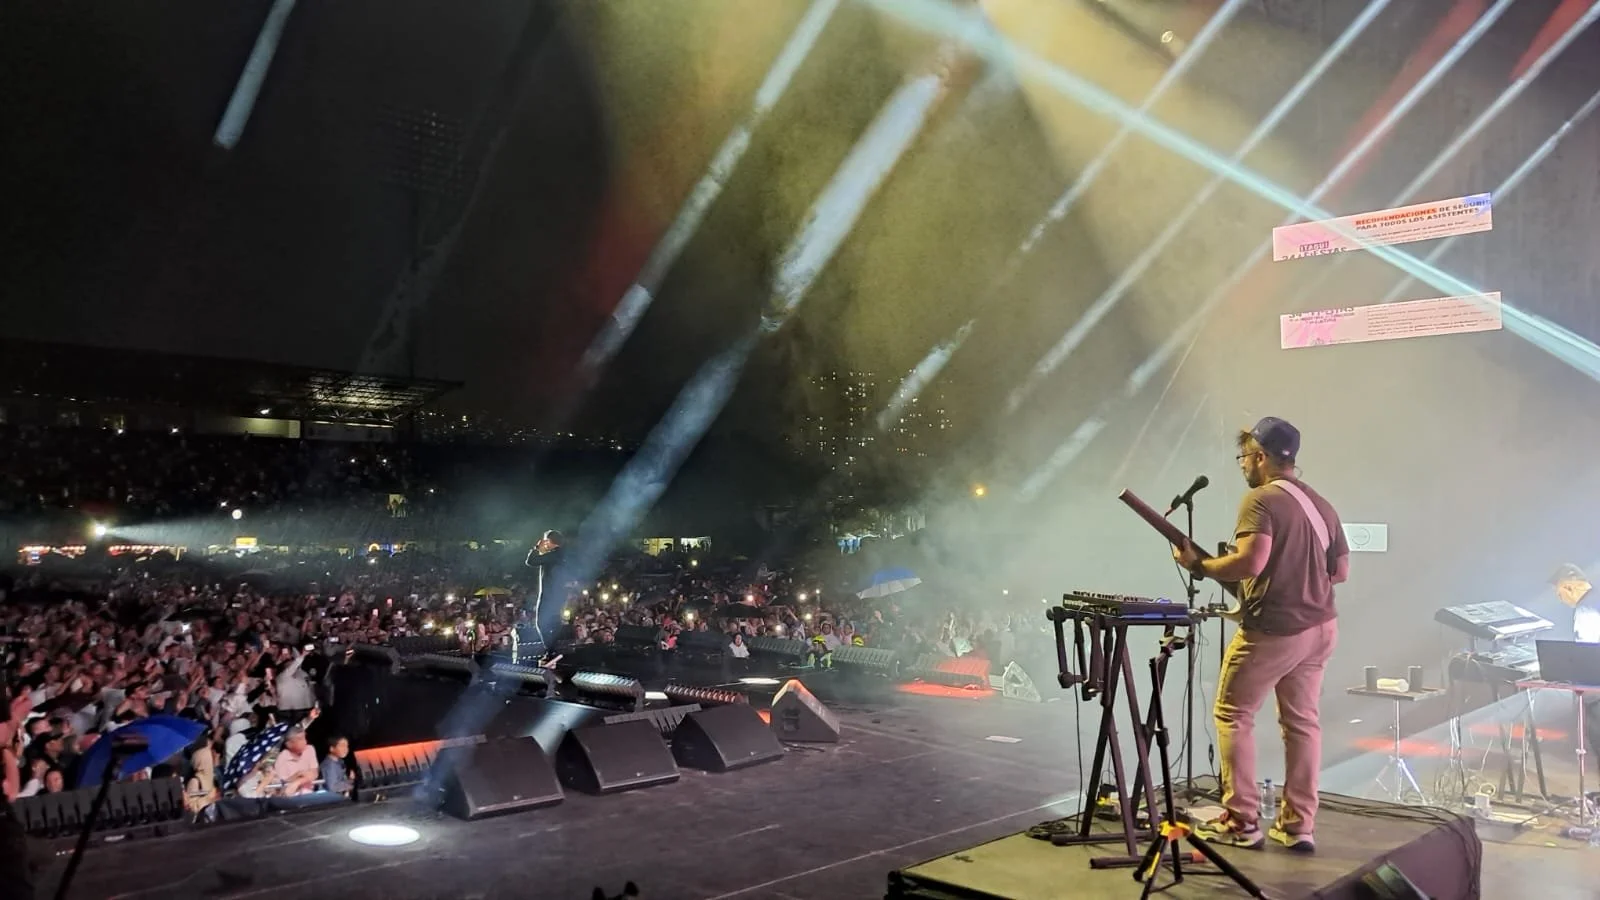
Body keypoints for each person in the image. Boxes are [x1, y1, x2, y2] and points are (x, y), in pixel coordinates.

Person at [1174, 417, 1348, 853]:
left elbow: (1250, 562)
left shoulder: (1261, 500)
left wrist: (1199, 566)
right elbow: (1340, 571)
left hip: (1275, 629)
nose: (1243, 466)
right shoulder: (1321, 504)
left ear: (1260, 456)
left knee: (1233, 714)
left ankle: (1241, 821)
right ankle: (1297, 826)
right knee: (1303, 724)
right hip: (1322, 627)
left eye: (1244, 457)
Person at [1551, 563, 1600, 766]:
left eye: (1560, 592)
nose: (1560, 599)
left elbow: (1587, 652)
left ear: (1570, 586)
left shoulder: (1586, 608)